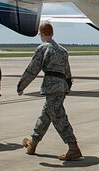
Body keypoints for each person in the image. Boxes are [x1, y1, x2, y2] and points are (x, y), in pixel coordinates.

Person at [18, 23, 82, 161]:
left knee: (58, 117)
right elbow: (68, 73)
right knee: (45, 116)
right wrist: (66, 88)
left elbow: (32, 69)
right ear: (52, 33)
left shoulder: (43, 48)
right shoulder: (63, 50)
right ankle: (32, 144)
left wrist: (21, 85)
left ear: (42, 34)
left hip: (52, 87)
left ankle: (73, 147)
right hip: (62, 87)